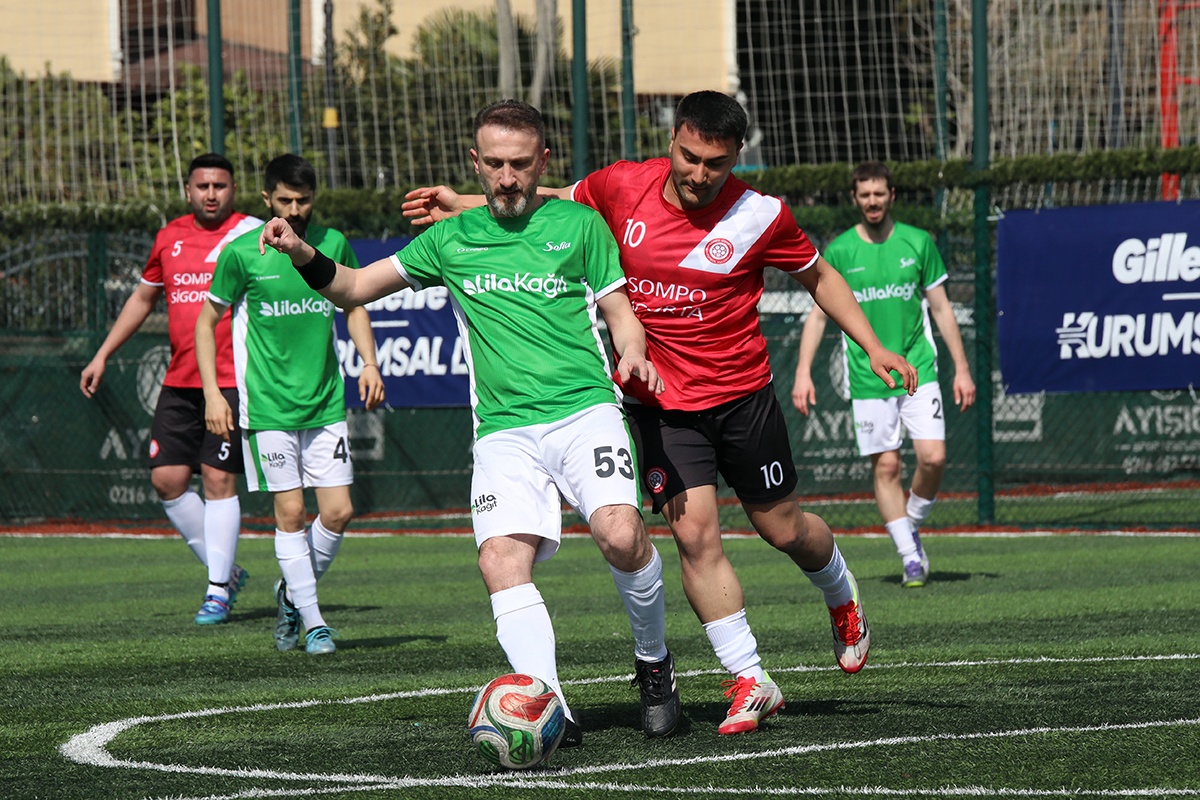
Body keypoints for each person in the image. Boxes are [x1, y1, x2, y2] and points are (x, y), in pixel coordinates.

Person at [401, 91, 917, 735]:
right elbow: (544, 197)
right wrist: (465, 202)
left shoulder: (759, 215)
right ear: (672, 140)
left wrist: (873, 346)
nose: (699, 174)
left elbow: (821, 278)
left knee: (783, 529)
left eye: (716, 163)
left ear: (737, 157)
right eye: (689, 156)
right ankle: (750, 677)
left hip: (742, 395)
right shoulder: (623, 185)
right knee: (694, 536)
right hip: (661, 402)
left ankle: (839, 591)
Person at [260, 100, 680, 744]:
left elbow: (621, 312)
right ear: (475, 163)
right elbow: (352, 288)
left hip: (585, 412)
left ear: (543, 161)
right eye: (495, 164)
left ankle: (654, 664)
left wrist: (633, 351)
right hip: (503, 430)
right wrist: (299, 251)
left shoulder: (581, 225)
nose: (508, 177)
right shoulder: (449, 239)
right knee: (499, 560)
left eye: (520, 163)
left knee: (621, 536)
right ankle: (548, 703)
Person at [195, 153, 385, 655]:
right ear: (267, 199)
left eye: (303, 200)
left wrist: (369, 362)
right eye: (285, 200)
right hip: (268, 409)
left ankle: (292, 591)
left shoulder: (332, 243)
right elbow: (205, 323)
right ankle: (315, 622)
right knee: (292, 512)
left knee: (339, 512)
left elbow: (352, 303)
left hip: (325, 403)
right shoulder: (241, 253)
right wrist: (214, 393)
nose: (295, 209)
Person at [80, 153, 262, 625]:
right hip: (180, 380)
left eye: (220, 185)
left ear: (233, 189)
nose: (210, 194)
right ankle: (226, 570)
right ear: (187, 191)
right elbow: (143, 298)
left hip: (230, 380)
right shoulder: (169, 238)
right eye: (202, 186)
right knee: (167, 480)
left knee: (218, 480)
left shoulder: (255, 233)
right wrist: (102, 354)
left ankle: (217, 590)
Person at [793, 160, 976, 588]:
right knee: (887, 465)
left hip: (918, 368)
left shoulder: (918, 242)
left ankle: (908, 523)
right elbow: (818, 317)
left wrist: (962, 369)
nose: (872, 201)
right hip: (867, 376)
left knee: (933, 458)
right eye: (865, 195)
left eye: (879, 193)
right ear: (855, 198)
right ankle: (910, 556)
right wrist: (803, 372)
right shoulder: (840, 251)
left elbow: (942, 308)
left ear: (891, 196)